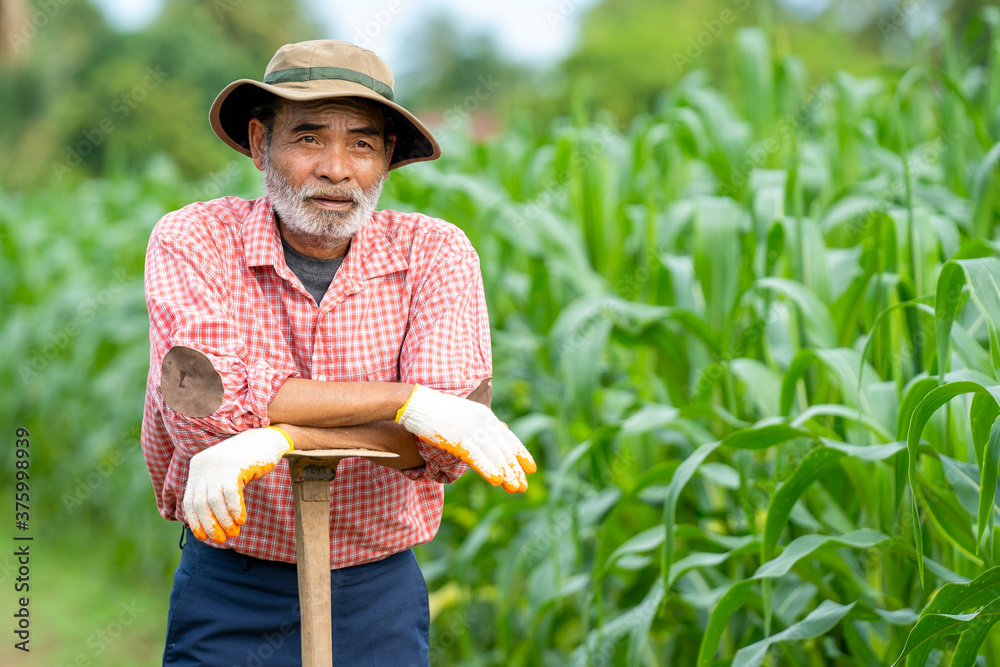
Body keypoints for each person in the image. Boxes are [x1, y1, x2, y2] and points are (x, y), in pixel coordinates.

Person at [140, 39, 536, 666]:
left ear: (385, 162)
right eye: (307, 138)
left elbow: (444, 443)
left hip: (376, 592)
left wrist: (276, 437)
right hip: (230, 585)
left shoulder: (436, 253)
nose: (335, 168)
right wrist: (406, 401)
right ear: (259, 141)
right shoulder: (195, 239)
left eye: (361, 143)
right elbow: (206, 410)